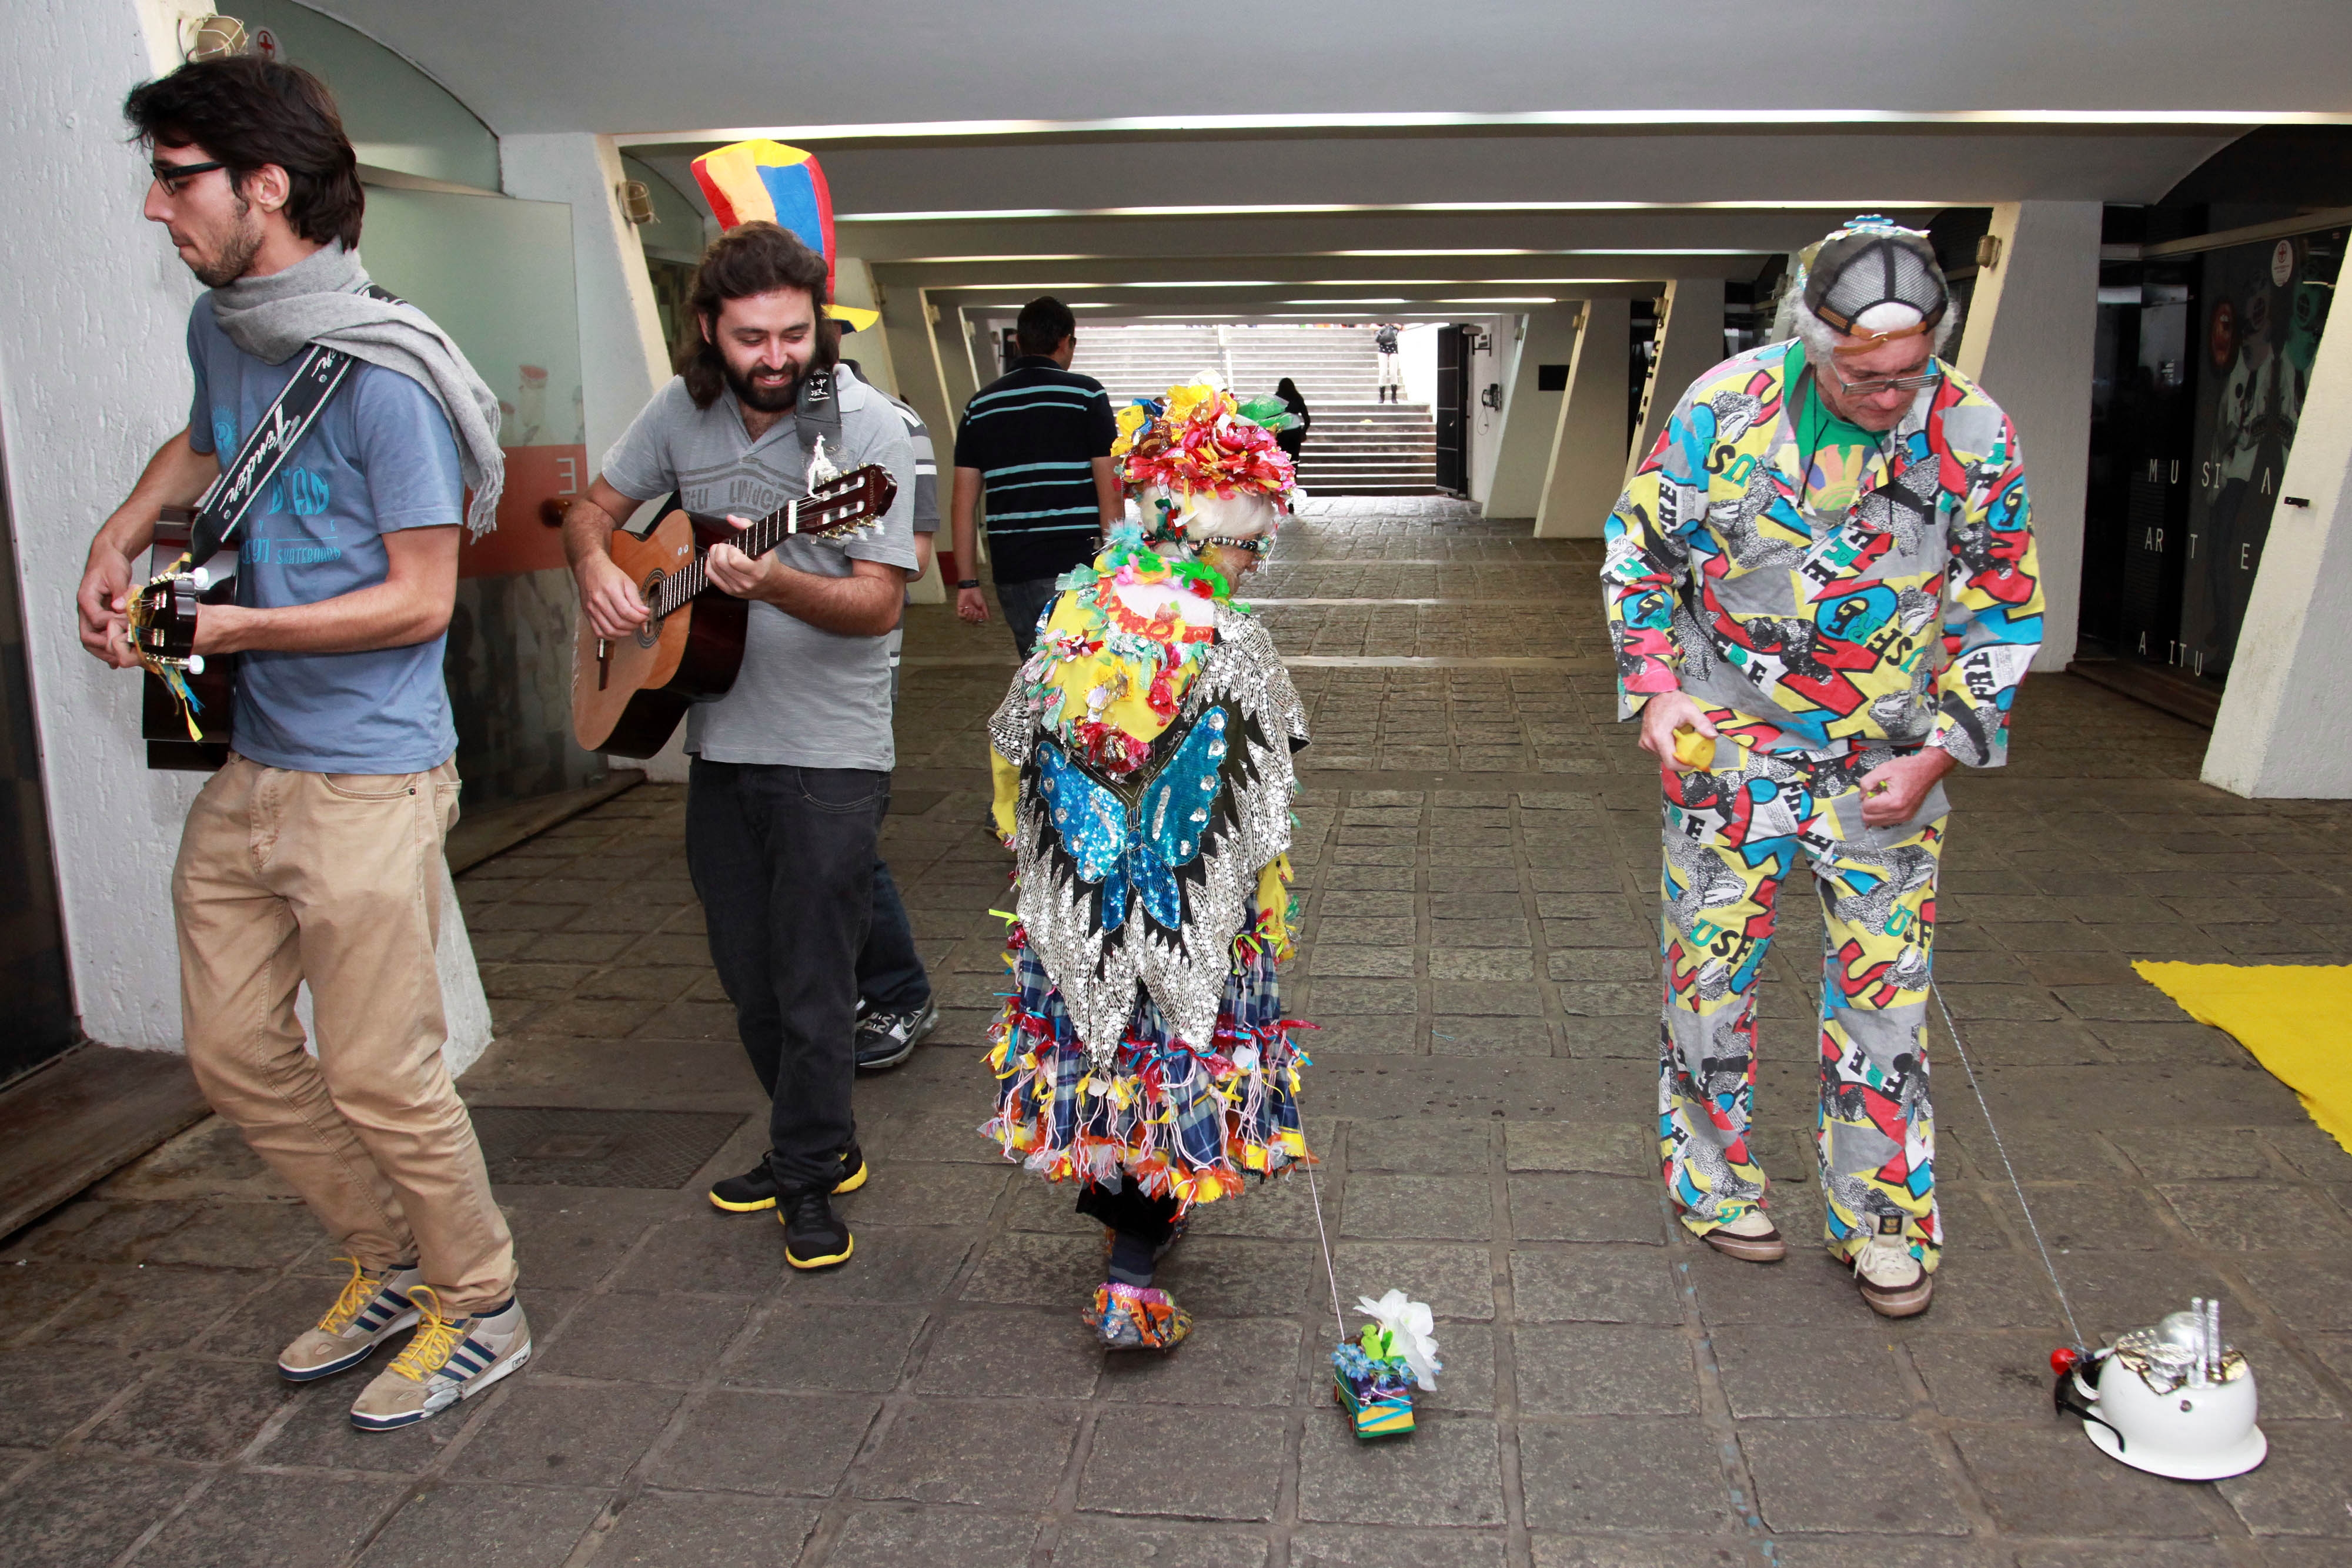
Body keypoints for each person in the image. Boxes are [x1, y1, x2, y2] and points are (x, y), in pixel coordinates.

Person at [78, 56, 524, 1430]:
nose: (158, 211)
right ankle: (387, 1267)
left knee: (384, 1074)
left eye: (177, 180)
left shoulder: (393, 380)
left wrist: (230, 636)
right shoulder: (234, 325)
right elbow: (213, 443)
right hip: (255, 766)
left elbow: (421, 598)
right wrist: (120, 526)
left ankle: (483, 1303)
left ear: (265, 187)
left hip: (371, 775)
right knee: (229, 1055)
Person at [1601, 216, 2044, 1318]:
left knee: (1886, 1002)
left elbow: (2004, 609)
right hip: (1730, 753)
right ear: (1814, 340)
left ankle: (1884, 1220)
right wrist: (1656, 690)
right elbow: (1640, 559)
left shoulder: (1976, 432)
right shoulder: (1723, 409)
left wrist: (1943, 751)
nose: (1892, 396)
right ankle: (1713, 1179)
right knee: (1709, 988)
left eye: (1910, 373)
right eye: (1865, 376)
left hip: (1887, 767)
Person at [563, 223, 916, 1269]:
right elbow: (592, 510)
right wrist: (599, 571)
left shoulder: (867, 436)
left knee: (814, 982)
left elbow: (878, 606)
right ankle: (822, 1136)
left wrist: (779, 580)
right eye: (752, 337)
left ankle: (807, 1173)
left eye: (795, 334)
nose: (776, 357)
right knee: (748, 975)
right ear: (709, 331)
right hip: (718, 740)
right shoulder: (681, 410)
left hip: (831, 753)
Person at [982, 379, 1312, 1349]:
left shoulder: (1072, 618)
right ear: (1202, 534)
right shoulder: (1236, 639)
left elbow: (1009, 747)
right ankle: (1132, 1273)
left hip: (1081, 902)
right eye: (1250, 543)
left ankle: (1128, 1238)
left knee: (1105, 1067)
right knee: (1169, 1070)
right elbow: (1276, 776)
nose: (1254, 564)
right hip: (1188, 913)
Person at [838, 357, 940, 1073]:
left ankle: (897, 993)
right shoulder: (712, 418)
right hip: (739, 685)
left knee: (843, 843)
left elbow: (913, 557)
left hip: (850, 678)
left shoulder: (894, 426)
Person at [950, 296, 1122, 657]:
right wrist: (1116, 561)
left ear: (1018, 343)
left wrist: (967, 582)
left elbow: (963, 504)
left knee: (1035, 674)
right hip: (1075, 565)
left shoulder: (980, 406)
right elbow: (1109, 487)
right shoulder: (1086, 394)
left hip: (1011, 569)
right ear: (1066, 342)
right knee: (1080, 675)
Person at [1274, 376, 1311, 466]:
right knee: (1294, 456)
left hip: (1281, 431)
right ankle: (1293, 477)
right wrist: (1304, 431)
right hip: (1295, 430)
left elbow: (1270, 415)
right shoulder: (1297, 397)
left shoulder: (1277, 397)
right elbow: (1306, 417)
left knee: (1281, 456)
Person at [1374, 323, 1403, 403]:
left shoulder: (1395, 323)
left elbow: (1403, 328)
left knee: (1393, 373)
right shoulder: (1381, 322)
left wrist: (1393, 324)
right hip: (1383, 349)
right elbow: (1372, 326)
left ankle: (1394, 396)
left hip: (1393, 349)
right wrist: (1384, 327)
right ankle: (1381, 396)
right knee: (1383, 373)